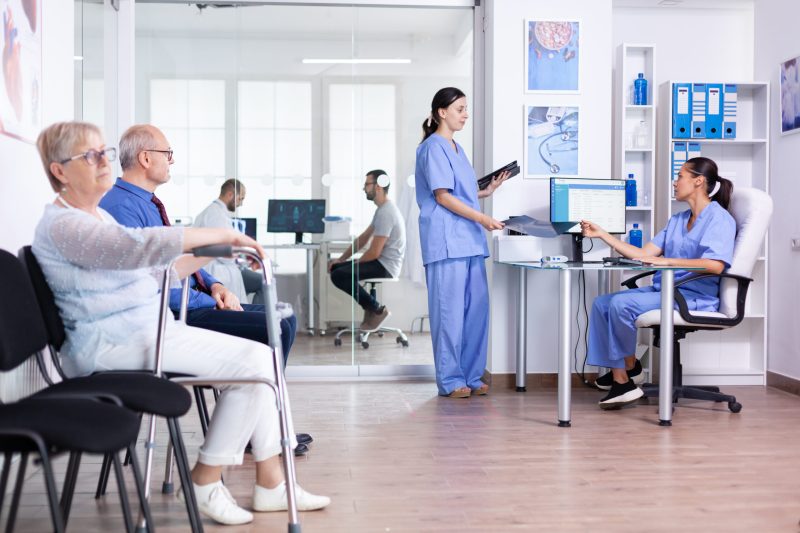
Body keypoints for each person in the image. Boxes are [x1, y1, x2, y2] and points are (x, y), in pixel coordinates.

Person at [31, 121, 330, 526]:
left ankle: (270, 483)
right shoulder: (65, 225)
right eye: (91, 156)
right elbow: (136, 248)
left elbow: (156, 272)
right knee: (257, 364)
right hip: (111, 343)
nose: (105, 162)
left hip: (144, 331)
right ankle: (208, 481)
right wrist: (216, 234)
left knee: (262, 358)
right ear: (60, 171)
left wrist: (212, 250)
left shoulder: (97, 215)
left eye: (104, 152)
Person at [99, 124, 311, 455]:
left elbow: (176, 259)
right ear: (144, 158)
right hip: (173, 315)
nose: (171, 161)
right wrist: (209, 280)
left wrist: (215, 286)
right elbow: (150, 282)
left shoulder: (148, 203)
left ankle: (262, 427)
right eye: (167, 154)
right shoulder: (122, 208)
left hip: (193, 302)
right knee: (276, 325)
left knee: (284, 319)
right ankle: (260, 434)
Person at [581, 157, 736, 410]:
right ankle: (629, 367)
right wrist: (604, 235)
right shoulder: (678, 219)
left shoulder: (719, 219)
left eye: (680, 177)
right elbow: (644, 254)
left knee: (621, 304)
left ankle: (623, 380)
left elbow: (715, 265)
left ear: (698, 181)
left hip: (691, 296)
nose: (675, 183)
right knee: (602, 303)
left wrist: (667, 262)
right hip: (664, 290)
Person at [414, 87, 509, 398]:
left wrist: (486, 192)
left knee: (475, 311)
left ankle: (470, 374)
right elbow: (442, 197)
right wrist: (483, 219)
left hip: (469, 240)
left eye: (466, 109)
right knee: (449, 313)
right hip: (446, 241)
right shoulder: (432, 147)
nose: (465, 114)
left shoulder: (457, 148)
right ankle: (452, 379)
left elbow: (459, 192)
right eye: (460, 109)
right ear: (442, 112)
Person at [328, 169, 406, 331]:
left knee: (339, 274)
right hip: (380, 262)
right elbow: (363, 239)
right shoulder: (382, 210)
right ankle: (371, 309)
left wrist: (352, 263)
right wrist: (341, 260)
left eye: (367, 184)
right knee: (337, 268)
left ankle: (376, 309)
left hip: (386, 267)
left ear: (378, 186)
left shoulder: (387, 213)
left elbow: (373, 253)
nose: (364, 188)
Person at [194, 178, 267, 306]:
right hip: (217, 271)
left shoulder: (213, 212)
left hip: (217, 267)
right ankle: (259, 319)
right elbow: (225, 253)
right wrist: (243, 257)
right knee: (263, 282)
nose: (241, 203)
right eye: (240, 199)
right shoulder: (216, 216)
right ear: (230, 195)